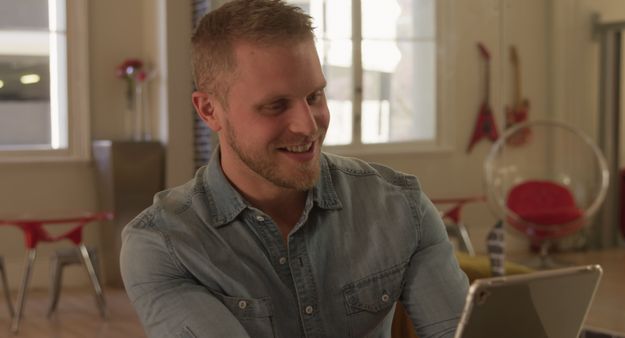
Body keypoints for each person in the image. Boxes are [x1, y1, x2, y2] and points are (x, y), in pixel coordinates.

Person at [120, 0, 469, 337]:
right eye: (276, 105)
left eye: (315, 96)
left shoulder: (400, 207)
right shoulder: (165, 246)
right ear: (210, 110)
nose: (308, 125)